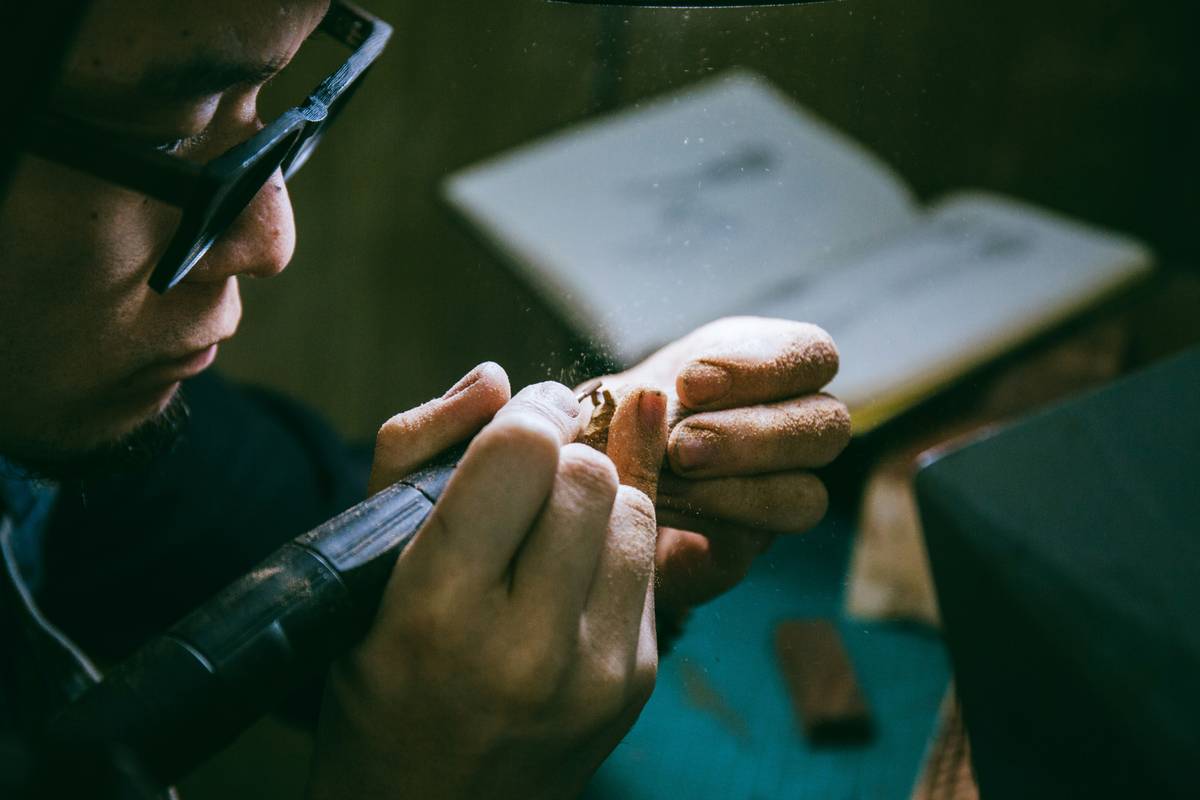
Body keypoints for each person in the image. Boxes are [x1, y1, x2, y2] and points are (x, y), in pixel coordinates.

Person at [0, 0, 851, 797]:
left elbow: (281, 539)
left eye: (263, 104)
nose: (272, 241)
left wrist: (574, 516)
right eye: (168, 135)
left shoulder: (63, 431)